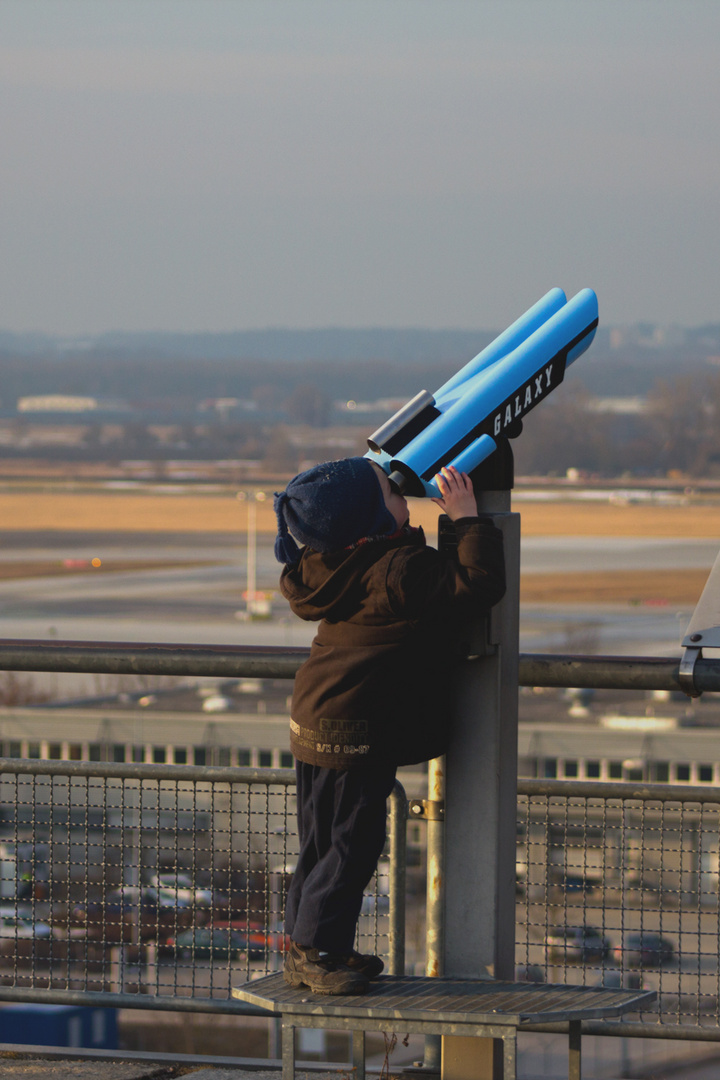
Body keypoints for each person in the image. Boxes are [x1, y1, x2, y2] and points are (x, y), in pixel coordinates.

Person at [273, 457, 506, 994]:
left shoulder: (331, 563)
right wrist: (466, 519)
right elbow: (476, 585)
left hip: (317, 716)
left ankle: (310, 948)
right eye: (391, 492)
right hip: (354, 727)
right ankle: (317, 954)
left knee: (320, 842)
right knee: (351, 844)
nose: (404, 494)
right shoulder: (397, 571)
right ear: (372, 521)